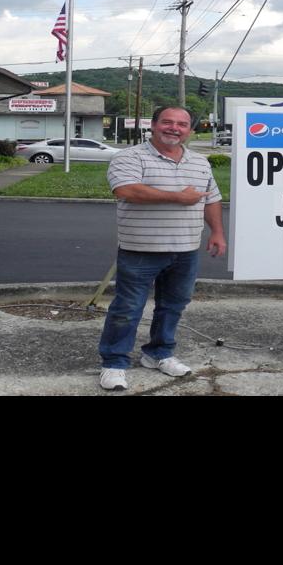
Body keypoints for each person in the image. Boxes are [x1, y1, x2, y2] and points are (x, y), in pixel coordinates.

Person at [98, 105, 226, 391]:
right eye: (167, 122)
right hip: (140, 248)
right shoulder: (129, 157)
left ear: (190, 130)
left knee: (173, 306)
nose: (174, 128)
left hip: (186, 249)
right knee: (127, 308)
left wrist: (217, 231)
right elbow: (126, 190)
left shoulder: (200, 162)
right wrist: (178, 198)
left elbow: (211, 198)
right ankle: (114, 363)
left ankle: (159, 353)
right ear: (153, 125)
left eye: (182, 124)